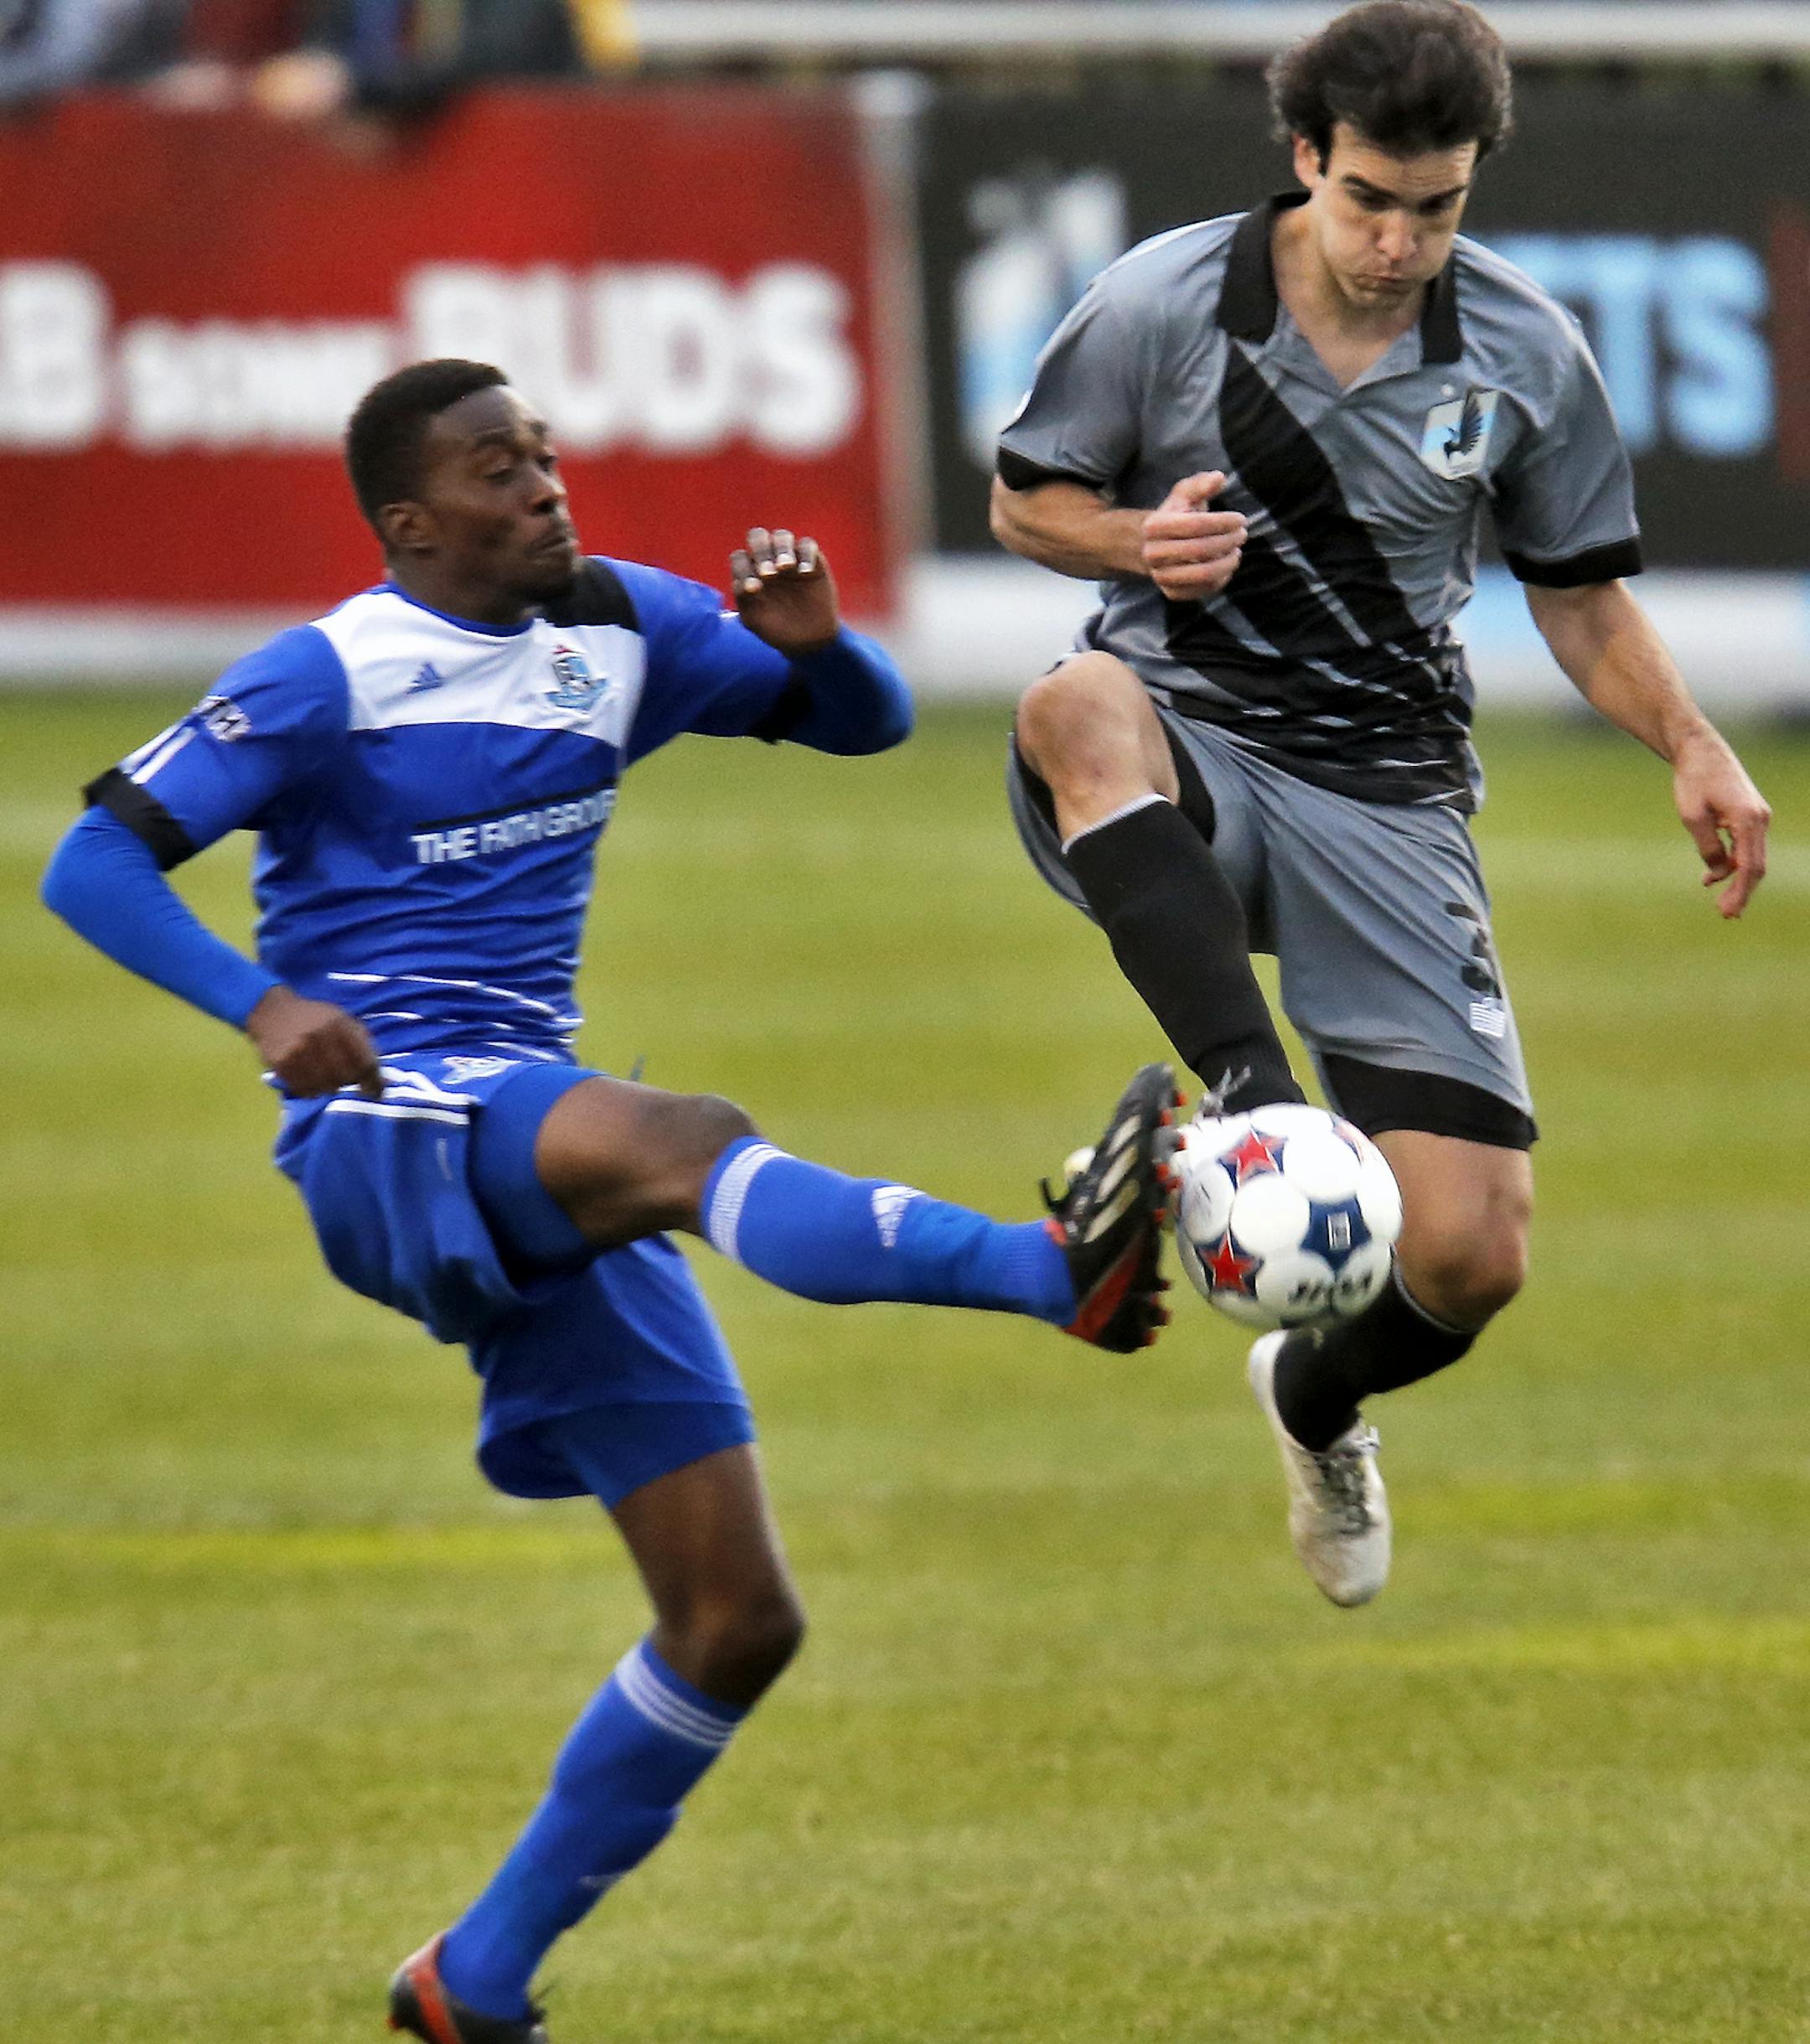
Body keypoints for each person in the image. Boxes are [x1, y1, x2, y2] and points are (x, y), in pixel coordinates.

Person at [41, 356, 1177, 2044]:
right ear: (412, 524)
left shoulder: (621, 624)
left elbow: (857, 723)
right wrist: (263, 1007)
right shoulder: (326, 674)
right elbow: (93, 860)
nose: (545, 489)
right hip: (384, 1114)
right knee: (684, 1133)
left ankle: (469, 1978)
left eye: (548, 456)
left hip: (522, 1113)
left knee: (735, 1617)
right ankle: (1045, 1270)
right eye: (497, 473)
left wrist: (813, 649)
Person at [990, 0, 1770, 1609]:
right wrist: (1138, 546)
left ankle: (1315, 1399)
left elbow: (1581, 600)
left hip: (1391, 793)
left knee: (1472, 1254)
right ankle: (1257, 1106)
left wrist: (1692, 742)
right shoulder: (1162, 299)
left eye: (1439, 205)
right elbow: (1028, 495)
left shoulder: (1526, 351)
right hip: (1184, 729)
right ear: (1304, 159)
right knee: (1071, 704)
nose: (1401, 240)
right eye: (1370, 200)